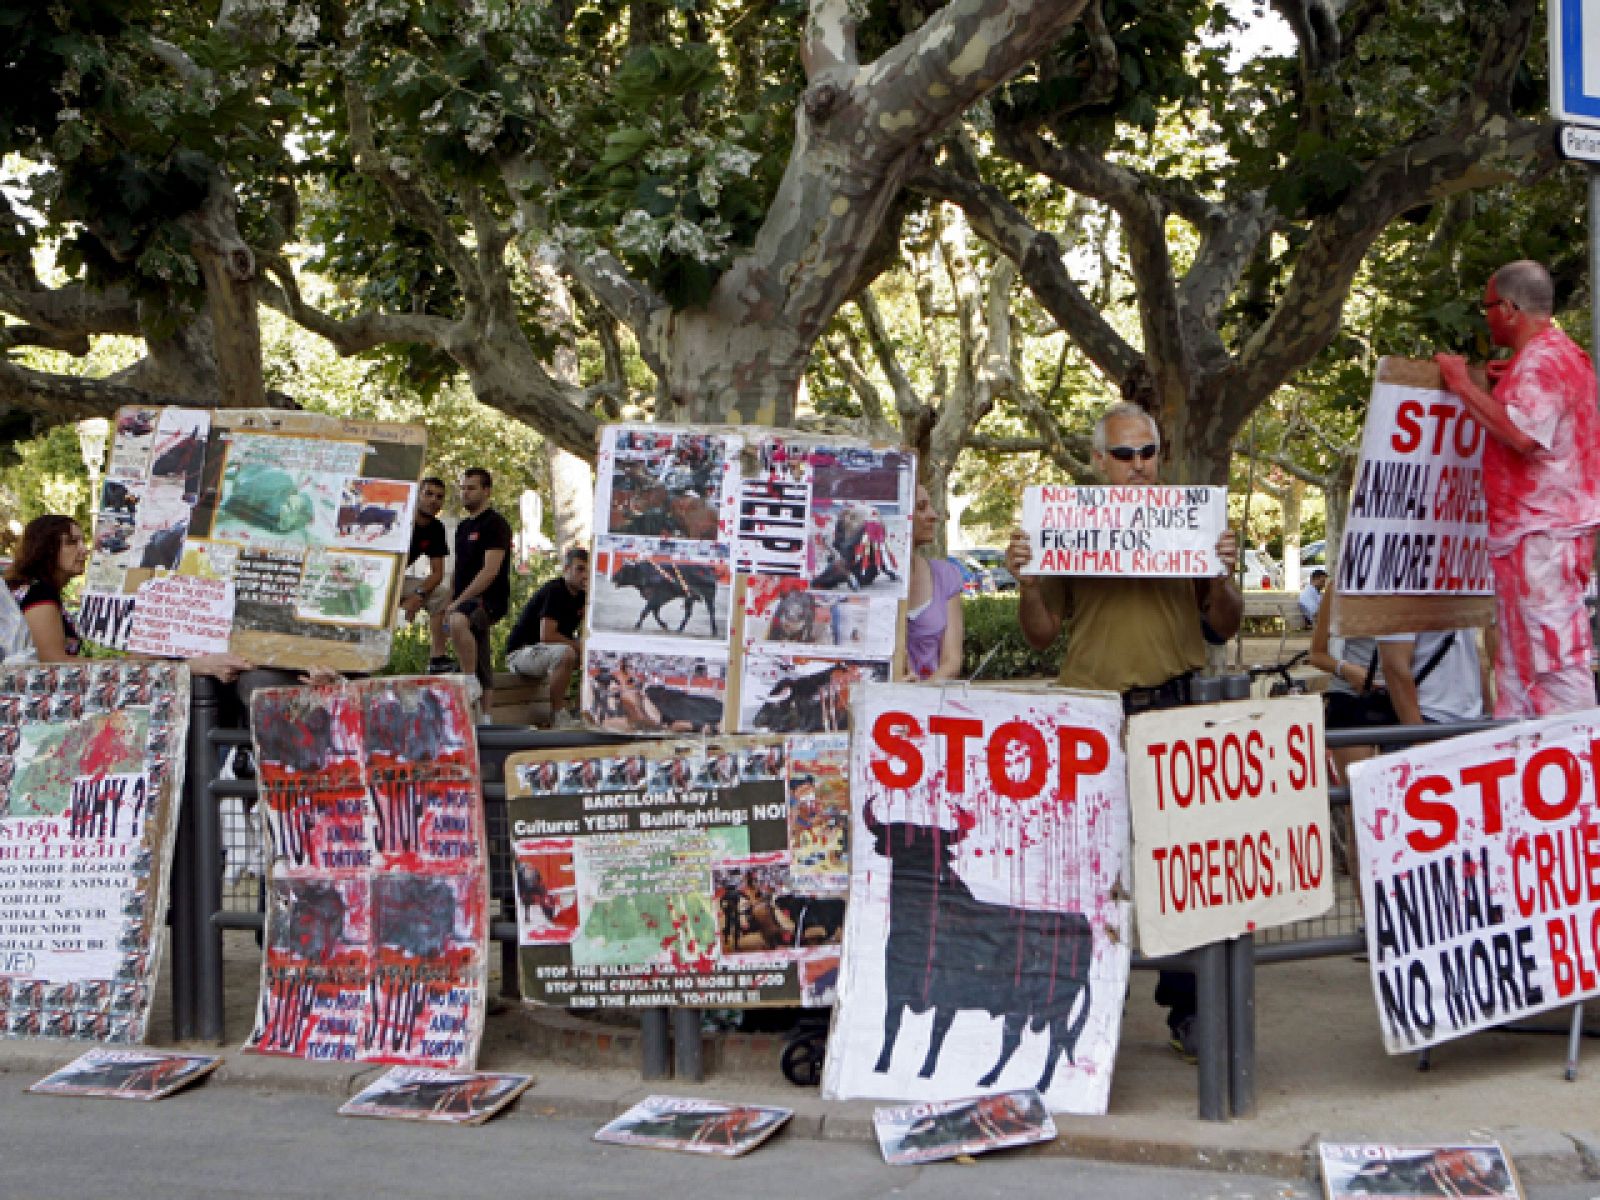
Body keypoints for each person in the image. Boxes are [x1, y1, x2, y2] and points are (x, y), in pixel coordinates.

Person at [1004, 402, 1242, 1062]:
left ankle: (1188, 1009)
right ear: (1098, 460)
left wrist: (1222, 572)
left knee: (1178, 868)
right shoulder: (1064, 525)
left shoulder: (1193, 522)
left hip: (1174, 711)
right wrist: (1025, 583)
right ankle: (1081, 1010)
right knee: (1086, 871)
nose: (1140, 465)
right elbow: (1042, 633)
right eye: (1126, 454)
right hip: (1091, 718)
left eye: (1149, 452)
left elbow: (1224, 624)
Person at [1436, 259, 1600, 717]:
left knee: (1554, 661)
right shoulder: (1551, 357)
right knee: (1521, 665)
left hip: (1542, 534)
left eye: (1487, 307)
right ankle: (1534, 765)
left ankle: (1578, 761)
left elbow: (1524, 436)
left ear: (1508, 308)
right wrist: (1497, 387)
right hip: (1531, 536)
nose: (1484, 316)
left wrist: (1460, 386)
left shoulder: (1544, 360)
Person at [4, 513, 252, 681]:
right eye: (71, 542)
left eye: (82, 541)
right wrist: (134, 666)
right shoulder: (39, 594)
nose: (84, 549)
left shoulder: (36, 591)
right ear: (46, 549)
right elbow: (53, 661)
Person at [442, 468, 514, 711]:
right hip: (465, 597)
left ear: (487, 491)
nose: (465, 493)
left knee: (459, 621)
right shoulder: (462, 528)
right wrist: (451, 599)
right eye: (463, 488)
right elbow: (458, 569)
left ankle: (469, 680)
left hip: (489, 598)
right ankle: (485, 718)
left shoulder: (496, 524)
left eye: (471, 488)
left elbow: (490, 571)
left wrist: (457, 603)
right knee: (479, 649)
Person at [506, 545, 588, 724]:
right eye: (579, 569)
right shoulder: (555, 590)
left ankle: (584, 710)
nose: (585, 575)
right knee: (567, 652)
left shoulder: (583, 597)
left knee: (593, 655)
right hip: (521, 654)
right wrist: (580, 646)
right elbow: (547, 636)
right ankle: (558, 714)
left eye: (588, 571)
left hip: (544, 653)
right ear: (566, 569)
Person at [903, 485, 963, 681]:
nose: (934, 515)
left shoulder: (946, 575)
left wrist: (921, 693)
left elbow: (952, 661)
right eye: (921, 507)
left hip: (928, 703)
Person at [398, 476, 450, 667]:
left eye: (439, 496)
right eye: (428, 493)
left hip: (399, 581)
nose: (433, 500)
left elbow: (437, 573)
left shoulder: (436, 528)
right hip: (373, 575)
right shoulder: (400, 514)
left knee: (441, 594)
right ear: (417, 494)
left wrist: (418, 595)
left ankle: (437, 659)